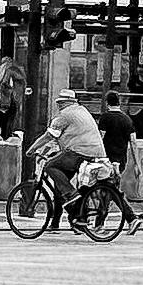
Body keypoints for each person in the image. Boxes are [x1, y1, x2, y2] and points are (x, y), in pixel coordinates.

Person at [39, 86, 109, 222]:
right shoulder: (82, 111)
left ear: (67, 103)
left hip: (79, 153)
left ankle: (72, 203)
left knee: (50, 167)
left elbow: (49, 136)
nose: (59, 105)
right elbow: (57, 138)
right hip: (92, 152)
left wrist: (32, 150)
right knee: (62, 184)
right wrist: (45, 150)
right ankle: (71, 220)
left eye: (60, 103)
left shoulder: (65, 115)